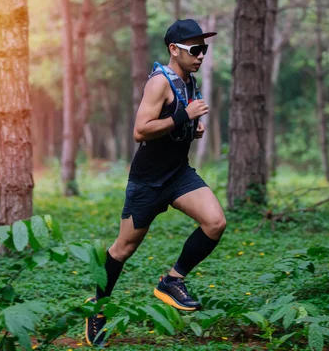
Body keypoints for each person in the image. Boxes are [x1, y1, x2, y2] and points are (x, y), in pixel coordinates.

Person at [85, 19, 227, 347]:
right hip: (147, 182)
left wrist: (192, 129)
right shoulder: (158, 83)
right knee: (124, 248)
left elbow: (176, 125)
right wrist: (184, 118)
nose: (202, 55)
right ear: (174, 49)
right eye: (195, 49)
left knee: (215, 223)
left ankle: (171, 281)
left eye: (204, 49)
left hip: (178, 174)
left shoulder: (190, 82)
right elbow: (140, 130)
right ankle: (98, 306)